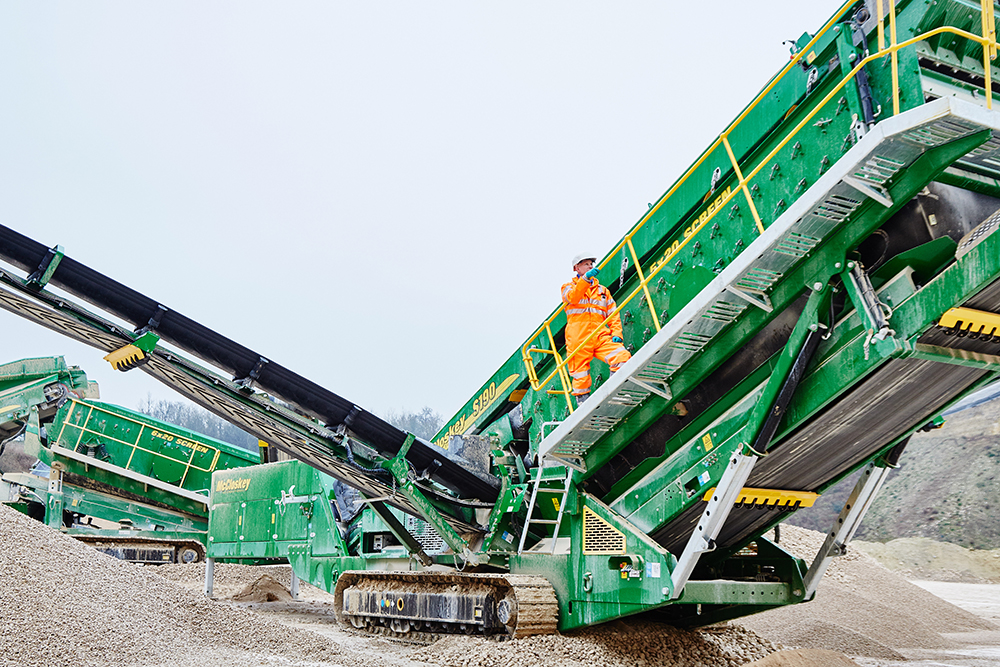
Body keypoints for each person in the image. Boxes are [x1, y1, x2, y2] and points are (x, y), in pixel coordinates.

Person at [561, 253, 631, 405]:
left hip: (599, 335)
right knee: (580, 376)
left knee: (622, 357)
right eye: (586, 264)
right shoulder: (567, 288)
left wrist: (617, 333)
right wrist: (585, 280)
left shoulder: (602, 291)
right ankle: (583, 405)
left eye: (591, 264)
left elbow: (612, 313)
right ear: (576, 268)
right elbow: (573, 297)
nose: (590, 266)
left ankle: (614, 393)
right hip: (578, 338)